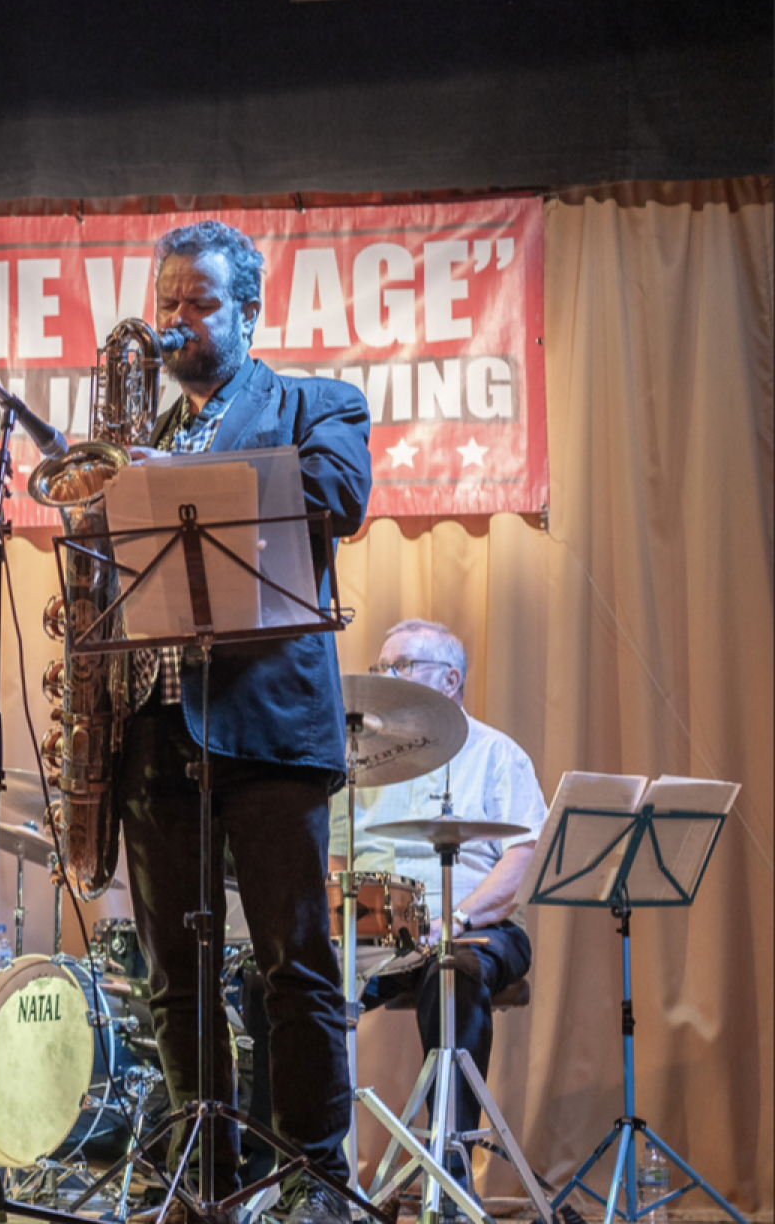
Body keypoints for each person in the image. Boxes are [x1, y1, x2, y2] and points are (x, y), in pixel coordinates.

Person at [109, 221, 371, 1224]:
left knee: (293, 961)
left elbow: (337, 493)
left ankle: (314, 1175)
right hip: (155, 727)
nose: (178, 318)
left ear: (251, 315)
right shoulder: (142, 430)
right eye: (167, 300)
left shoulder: (316, 403)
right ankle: (205, 1177)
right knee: (175, 975)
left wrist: (173, 487)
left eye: (200, 301)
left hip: (268, 726)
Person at [331, 619, 547, 1190]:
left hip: (479, 924)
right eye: (381, 668)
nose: (385, 679)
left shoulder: (497, 755)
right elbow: (334, 864)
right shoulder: (358, 762)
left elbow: (520, 861)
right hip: (378, 929)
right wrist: (355, 922)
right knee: (284, 979)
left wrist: (454, 918)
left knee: (454, 971)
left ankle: (446, 1174)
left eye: (400, 667)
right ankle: (312, 1170)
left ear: (450, 680)